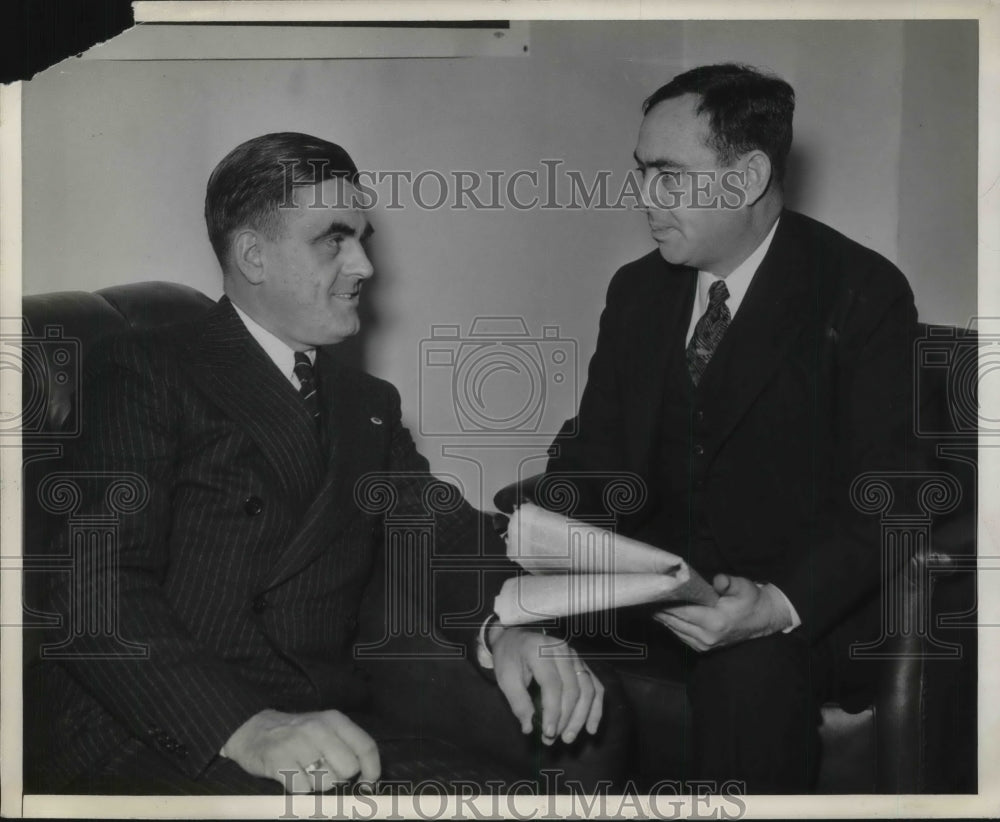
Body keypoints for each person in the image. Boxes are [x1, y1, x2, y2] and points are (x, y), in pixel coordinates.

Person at [25, 133, 606, 795]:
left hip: (323, 724)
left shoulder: (367, 403)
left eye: (361, 238)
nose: (362, 266)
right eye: (332, 239)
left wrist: (509, 629)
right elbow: (97, 589)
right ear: (253, 255)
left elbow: (439, 531)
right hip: (165, 728)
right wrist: (247, 728)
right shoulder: (144, 367)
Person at [539, 64, 918, 792]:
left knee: (747, 672)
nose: (643, 197)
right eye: (640, 171)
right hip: (652, 597)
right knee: (500, 626)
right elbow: (596, 460)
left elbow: (892, 492)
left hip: (798, 614)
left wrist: (773, 607)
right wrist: (547, 556)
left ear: (746, 179)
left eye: (668, 175)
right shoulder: (637, 290)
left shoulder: (861, 291)